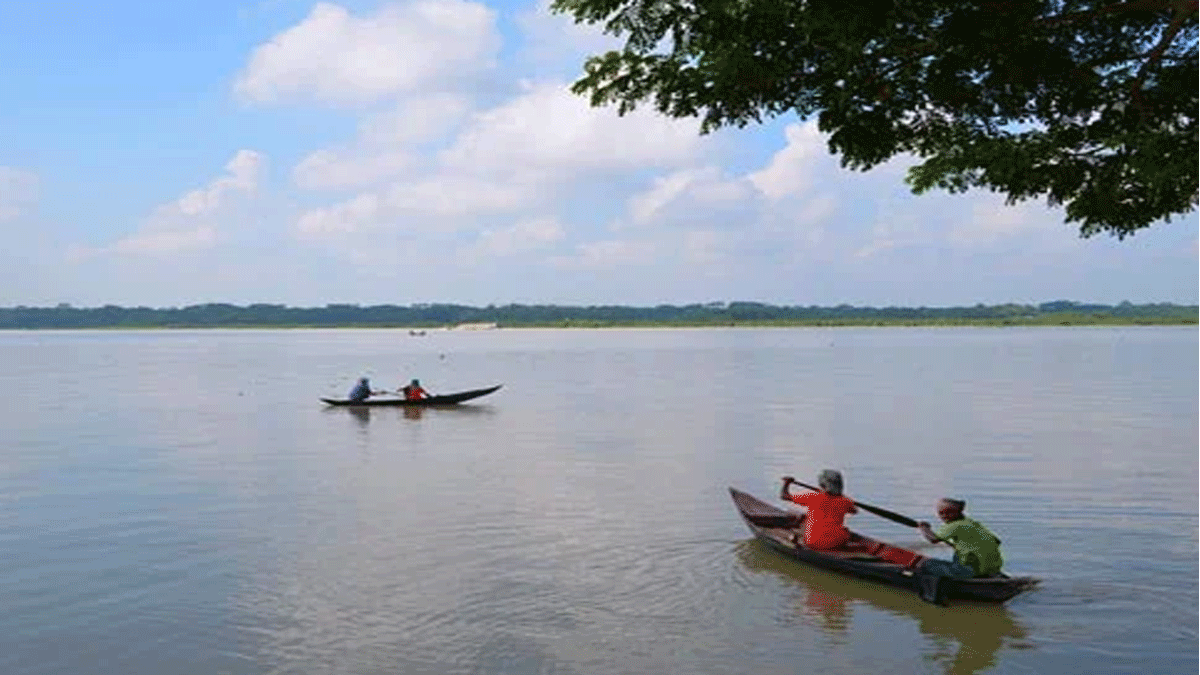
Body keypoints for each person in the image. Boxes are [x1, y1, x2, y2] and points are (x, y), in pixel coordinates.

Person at [917, 498, 1004, 578]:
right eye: (941, 513)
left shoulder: (953, 525)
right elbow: (997, 541)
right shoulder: (973, 523)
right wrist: (961, 547)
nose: (944, 516)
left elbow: (933, 539)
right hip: (993, 568)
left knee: (924, 563)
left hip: (970, 571)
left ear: (958, 512)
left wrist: (924, 528)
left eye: (948, 512)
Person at [779, 470, 858, 550]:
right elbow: (854, 511)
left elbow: (784, 496)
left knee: (803, 519)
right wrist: (844, 498)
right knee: (845, 531)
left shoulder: (812, 496)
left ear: (822, 484)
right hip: (836, 542)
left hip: (812, 542)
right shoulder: (845, 501)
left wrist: (787, 483)